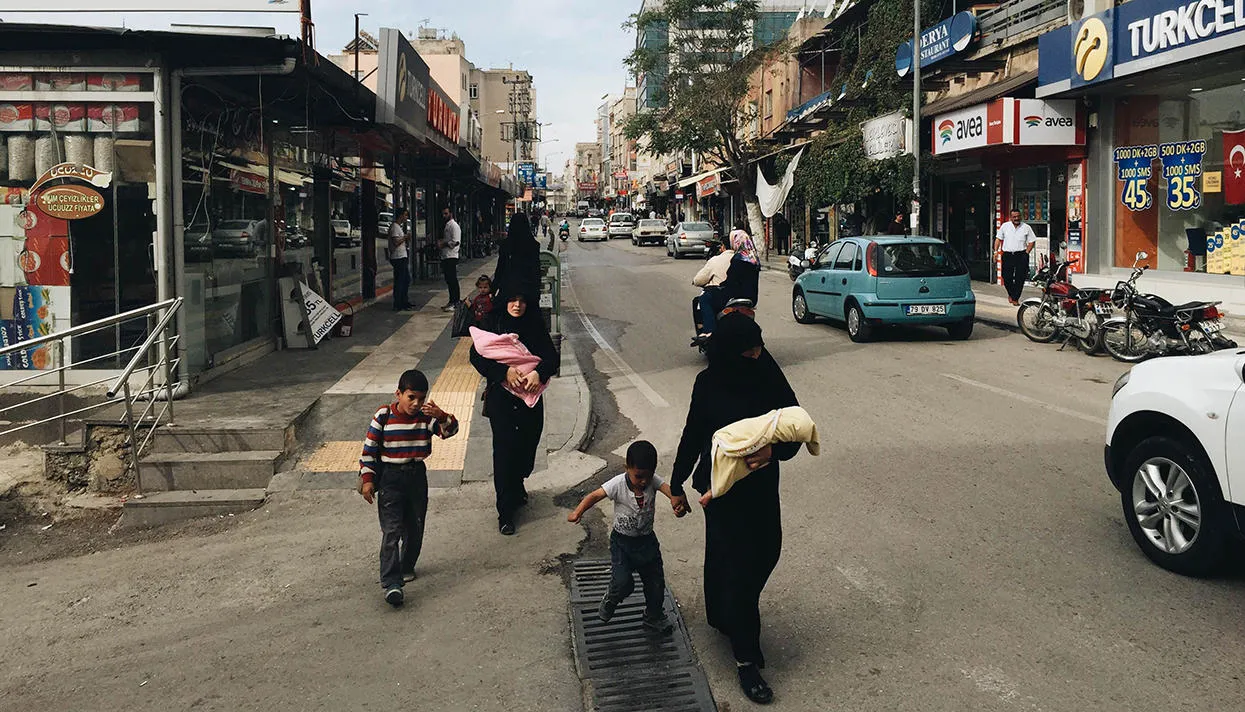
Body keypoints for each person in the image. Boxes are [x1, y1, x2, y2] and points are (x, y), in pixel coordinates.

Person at [669, 314, 801, 705]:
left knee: (765, 553)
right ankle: (746, 659)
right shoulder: (708, 383)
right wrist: (675, 483)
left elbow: (794, 423)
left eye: (759, 347)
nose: (756, 354)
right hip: (720, 489)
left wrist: (774, 450)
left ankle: (726, 612)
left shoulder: (766, 373)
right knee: (737, 567)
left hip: (760, 487)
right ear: (729, 351)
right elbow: (693, 432)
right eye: (748, 350)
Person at [358, 369, 459, 607]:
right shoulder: (383, 416)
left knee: (415, 526)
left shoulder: (426, 417)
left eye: (421, 398)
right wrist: (368, 480)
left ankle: (407, 565)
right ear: (399, 394)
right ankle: (392, 582)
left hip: (416, 477)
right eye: (411, 397)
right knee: (391, 530)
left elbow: (450, 431)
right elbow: (369, 450)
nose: (416, 404)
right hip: (391, 479)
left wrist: (442, 415)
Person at [567, 441, 685, 633]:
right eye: (638, 476)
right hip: (622, 543)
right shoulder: (618, 484)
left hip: (647, 542)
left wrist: (678, 505)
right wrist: (578, 512)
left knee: (655, 584)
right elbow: (595, 496)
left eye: (647, 476)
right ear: (627, 468)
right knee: (623, 583)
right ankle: (612, 597)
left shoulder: (653, 480)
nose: (644, 482)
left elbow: (671, 493)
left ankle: (653, 616)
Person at [470, 285, 558, 535]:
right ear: (504, 301)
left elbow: (551, 358)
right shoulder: (492, 323)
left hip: (530, 399)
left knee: (528, 444)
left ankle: (518, 483)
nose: (517, 305)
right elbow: (476, 356)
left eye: (522, 300)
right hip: (502, 399)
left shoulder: (534, 325)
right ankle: (505, 512)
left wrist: (537, 373)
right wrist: (504, 372)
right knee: (504, 451)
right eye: (512, 299)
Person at [493, 213, 543, 301]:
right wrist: (537, 291)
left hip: (508, 288)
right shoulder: (533, 245)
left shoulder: (506, 245)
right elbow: (536, 270)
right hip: (527, 289)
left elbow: (500, 269)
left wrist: (493, 289)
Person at [692, 241, 735, 336]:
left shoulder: (716, 260)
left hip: (720, 295)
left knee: (701, 300)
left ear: (723, 247)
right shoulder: (745, 259)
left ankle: (707, 332)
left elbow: (699, 280)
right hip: (741, 295)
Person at [995, 208, 1036, 305]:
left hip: (1021, 254)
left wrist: (1026, 253)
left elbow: (1032, 241)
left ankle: (1015, 298)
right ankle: (1011, 294)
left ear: (1020, 216)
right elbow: (998, 239)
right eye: (1014, 217)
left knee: (1020, 277)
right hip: (1008, 255)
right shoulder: (1005, 226)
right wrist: (995, 251)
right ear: (1010, 217)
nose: (1016, 218)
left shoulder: (1026, 227)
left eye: (1018, 216)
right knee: (1006, 276)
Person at [388, 208, 412, 311]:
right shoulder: (394, 227)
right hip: (398, 257)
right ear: (400, 216)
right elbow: (396, 242)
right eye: (405, 215)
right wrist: (405, 237)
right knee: (400, 280)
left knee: (406, 280)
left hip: (402, 256)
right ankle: (398, 302)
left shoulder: (399, 227)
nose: (406, 218)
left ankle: (404, 301)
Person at [438, 207, 462, 310]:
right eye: (443, 214)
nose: (444, 216)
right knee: (449, 280)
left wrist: (444, 243)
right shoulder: (447, 225)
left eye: (446, 214)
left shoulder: (454, 226)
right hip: (446, 255)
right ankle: (451, 300)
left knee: (452, 280)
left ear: (451, 214)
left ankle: (455, 301)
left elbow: (456, 242)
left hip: (451, 256)